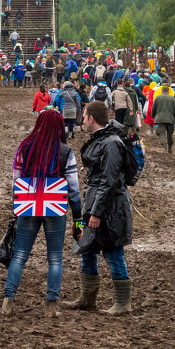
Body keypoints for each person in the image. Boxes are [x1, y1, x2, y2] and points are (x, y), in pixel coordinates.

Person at [0, 109, 81, 316]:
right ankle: (51, 306)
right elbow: (73, 188)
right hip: (55, 208)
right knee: (55, 258)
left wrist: (15, 208)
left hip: (27, 205)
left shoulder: (25, 147)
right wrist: (78, 218)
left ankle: (8, 302)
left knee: (19, 256)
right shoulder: (65, 151)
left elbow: (16, 182)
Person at [65, 100, 134, 316]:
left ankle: (123, 304)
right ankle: (87, 299)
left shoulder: (111, 143)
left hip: (110, 207)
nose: (81, 121)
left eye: (83, 117)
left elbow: (109, 180)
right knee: (86, 248)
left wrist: (96, 212)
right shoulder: (102, 139)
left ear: (91, 119)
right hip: (94, 201)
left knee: (113, 253)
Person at [152, 80, 175, 153]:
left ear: (161, 91)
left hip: (160, 119)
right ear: (168, 91)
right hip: (170, 119)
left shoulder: (157, 98)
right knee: (170, 134)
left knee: (162, 134)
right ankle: (170, 148)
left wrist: (153, 116)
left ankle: (164, 148)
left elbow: (153, 109)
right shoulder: (172, 99)